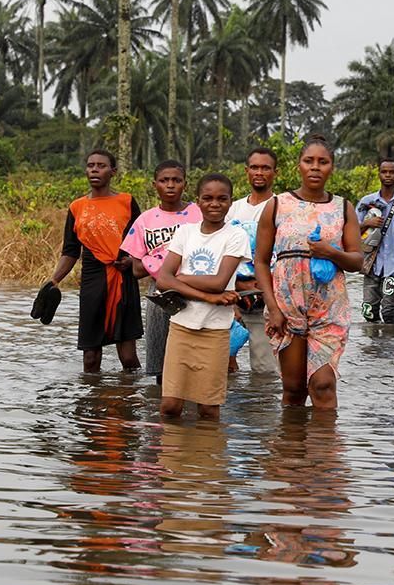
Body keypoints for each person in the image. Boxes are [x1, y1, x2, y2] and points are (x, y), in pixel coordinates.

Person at [255, 135, 362, 409]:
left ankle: (324, 451)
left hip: (329, 308)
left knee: (323, 384)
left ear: (332, 168)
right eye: (309, 161)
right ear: (299, 166)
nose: (315, 167)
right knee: (293, 390)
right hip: (286, 307)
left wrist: (331, 253)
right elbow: (261, 260)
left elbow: (357, 261)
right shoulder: (277, 205)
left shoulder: (344, 208)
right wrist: (273, 308)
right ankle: (290, 450)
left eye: (322, 162)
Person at [153, 174, 250, 420]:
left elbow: (219, 282)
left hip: (215, 330)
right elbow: (163, 280)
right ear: (198, 201)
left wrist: (181, 278)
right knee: (170, 406)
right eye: (207, 198)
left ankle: (206, 455)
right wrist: (208, 298)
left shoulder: (235, 236)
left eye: (221, 198)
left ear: (230, 202)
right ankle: (175, 456)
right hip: (181, 327)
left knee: (208, 408)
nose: (214, 204)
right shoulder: (185, 232)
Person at [48, 150, 143, 373]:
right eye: (91, 165)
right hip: (92, 282)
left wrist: (132, 261)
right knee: (91, 358)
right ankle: (91, 401)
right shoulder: (77, 207)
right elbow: (70, 251)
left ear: (113, 172)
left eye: (101, 165)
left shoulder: (127, 202)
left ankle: (130, 401)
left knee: (128, 357)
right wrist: (53, 281)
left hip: (123, 280)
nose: (94, 169)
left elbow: (140, 242)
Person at [121, 160, 201, 383]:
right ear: (154, 184)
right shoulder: (145, 220)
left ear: (185, 184)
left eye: (176, 180)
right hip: (160, 293)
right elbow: (136, 269)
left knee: (194, 353)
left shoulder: (197, 213)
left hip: (195, 285)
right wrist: (158, 265)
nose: (170, 185)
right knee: (160, 356)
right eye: (164, 180)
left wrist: (152, 261)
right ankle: (162, 409)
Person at [226, 147, 279, 377]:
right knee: (224, 366)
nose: (259, 172)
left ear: (274, 173)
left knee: (265, 370)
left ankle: (261, 412)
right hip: (232, 297)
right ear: (246, 171)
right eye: (254, 167)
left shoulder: (282, 207)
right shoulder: (231, 209)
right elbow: (221, 253)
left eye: (265, 168)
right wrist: (232, 292)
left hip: (268, 298)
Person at [356, 158, 394, 324]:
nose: (388, 175)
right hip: (371, 264)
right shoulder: (366, 202)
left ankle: (388, 347)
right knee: (368, 310)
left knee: (389, 311)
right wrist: (367, 223)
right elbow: (351, 232)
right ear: (379, 174)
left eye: (392, 172)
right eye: (384, 172)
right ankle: (372, 346)